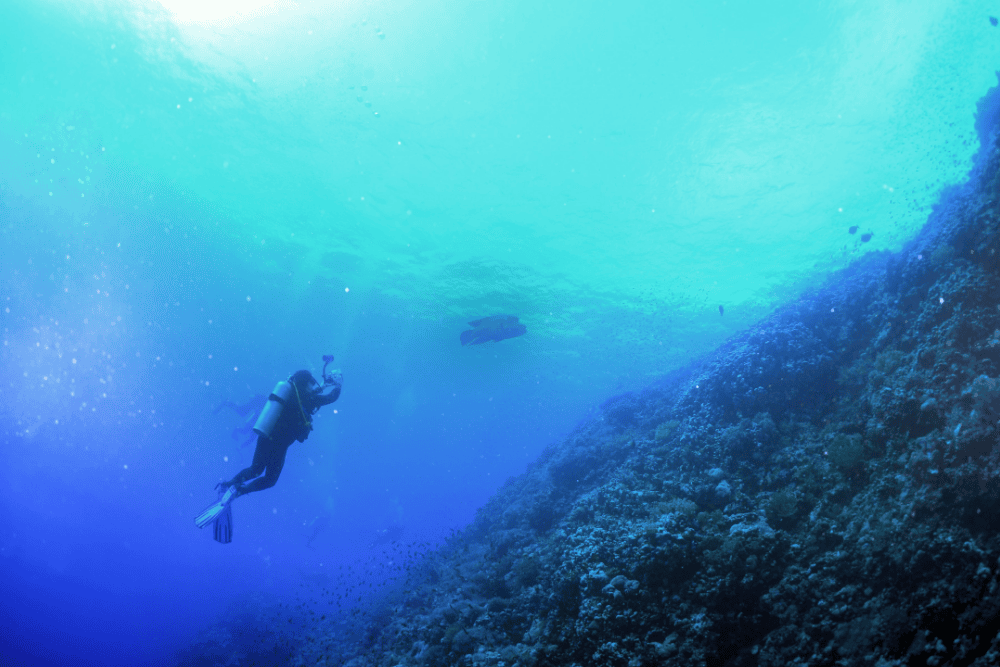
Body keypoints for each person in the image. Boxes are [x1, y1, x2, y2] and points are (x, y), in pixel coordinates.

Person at [219, 367, 341, 498]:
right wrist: (338, 385)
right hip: (279, 445)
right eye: (310, 383)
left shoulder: (291, 394)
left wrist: (325, 384)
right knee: (270, 480)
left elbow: (313, 393)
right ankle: (240, 491)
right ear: (305, 384)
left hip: (266, 435)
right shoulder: (309, 399)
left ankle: (228, 484)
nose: (312, 386)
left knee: (255, 470)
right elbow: (330, 398)